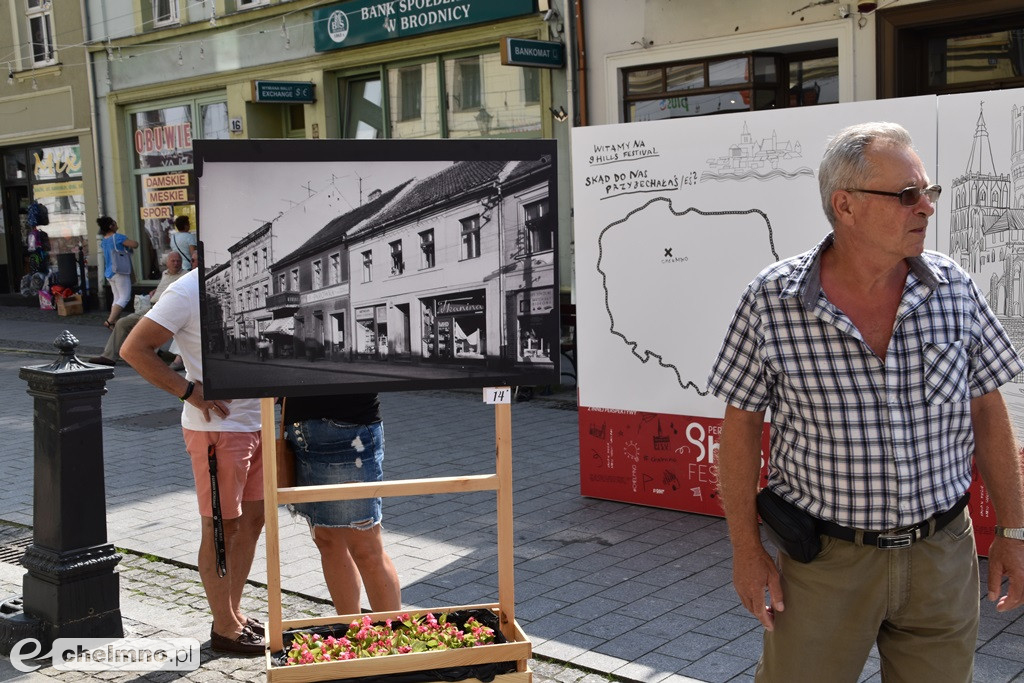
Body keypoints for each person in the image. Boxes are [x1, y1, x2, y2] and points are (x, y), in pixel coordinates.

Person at [707, 121, 1024, 682]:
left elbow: (988, 414)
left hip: (942, 558)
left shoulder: (953, 288)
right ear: (845, 206)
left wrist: (1015, 531)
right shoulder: (773, 301)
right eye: (907, 195)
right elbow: (739, 430)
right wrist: (745, 550)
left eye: (929, 191)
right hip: (825, 565)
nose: (925, 207)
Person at [121, 268, 266, 655]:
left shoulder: (248, 275)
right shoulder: (189, 289)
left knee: (252, 522)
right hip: (218, 430)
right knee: (222, 528)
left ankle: (232, 612)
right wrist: (187, 390)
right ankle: (223, 627)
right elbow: (133, 349)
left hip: (262, 424)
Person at [283, 394, 401, 615]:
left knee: (365, 547)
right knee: (327, 540)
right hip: (301, 432)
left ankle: (392, 641)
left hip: (349, 426)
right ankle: (350, 633)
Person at [88, 251, 185, 367]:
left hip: (166, 308)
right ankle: (109, 356)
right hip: (152, 306)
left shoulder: (184, 275)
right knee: (122, 322)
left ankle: (146, 356)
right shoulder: (165, 273)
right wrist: (155, 291)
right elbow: (164, 287)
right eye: (173, 261)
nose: (176, 263)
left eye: (178, 261)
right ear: (167, 263)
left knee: (143, 322)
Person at [97, 216, 139, 329]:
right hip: (120, 271)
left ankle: (114, 322)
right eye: (114, 222)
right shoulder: (118, 237)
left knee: (117, 297)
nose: (116, 224)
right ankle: (110, 320)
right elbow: (135, 244)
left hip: (109, 272)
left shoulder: (104, 240)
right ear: (111, 226)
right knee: (125, 297)